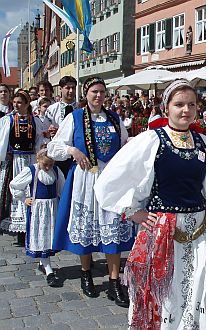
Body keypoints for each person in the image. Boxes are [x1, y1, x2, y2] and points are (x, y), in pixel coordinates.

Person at [94, 79, 206, 329]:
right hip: (163, 231)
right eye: (179, 104)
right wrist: (133, 212)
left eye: (191, 104)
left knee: (200, 292)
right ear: (166, 107)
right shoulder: (150, 141)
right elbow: (109, 181)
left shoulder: (204, 143)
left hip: (201, 232)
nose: (186, 110)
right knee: (166, 296)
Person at [47, 77, 134, 307]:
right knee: (86, 229)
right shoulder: (74, 117)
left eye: (102, 92)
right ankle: (86, 273)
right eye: (94, 91)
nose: (99, 96)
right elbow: (53, 147)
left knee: (113, 227)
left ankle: (114, 282)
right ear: (86, 94)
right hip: (86, 179)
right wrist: (72, 149)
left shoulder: (114, 118)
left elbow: (125, 145)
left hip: (111, 180)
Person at [9, 148, 64, 287]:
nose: (47, 167)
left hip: (52, 208)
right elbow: (15, 184)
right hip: (38, 209)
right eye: (45, 164)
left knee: (49, 237)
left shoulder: (56, 171)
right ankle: (49, 271)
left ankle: (42, 263)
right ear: (39, 160)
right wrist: (23, 198)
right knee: (41, 236)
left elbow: (61, 189)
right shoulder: (32, 170)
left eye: (50, 164)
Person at [0, 90, 43, 245]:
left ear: (26, 104)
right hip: (15, 161)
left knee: (31, 190)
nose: (16, 105)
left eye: (19, 102)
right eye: (15, 102)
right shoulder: (8, 120)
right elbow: (2, 140)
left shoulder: (34, 120)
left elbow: (39, 138)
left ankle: (30, 226)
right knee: (15, 191)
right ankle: (18, 229)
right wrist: (5, 154)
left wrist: (39, 152)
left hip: (31, 159)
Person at [46, 76, 77, 178]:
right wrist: (49, 131)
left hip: (76, 152)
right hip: (57, 153)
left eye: (73, 88)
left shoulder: (81, 109)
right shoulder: (52, 109)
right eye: (68, 88)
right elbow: (43, 130)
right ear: (61, 89)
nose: (71, 91)